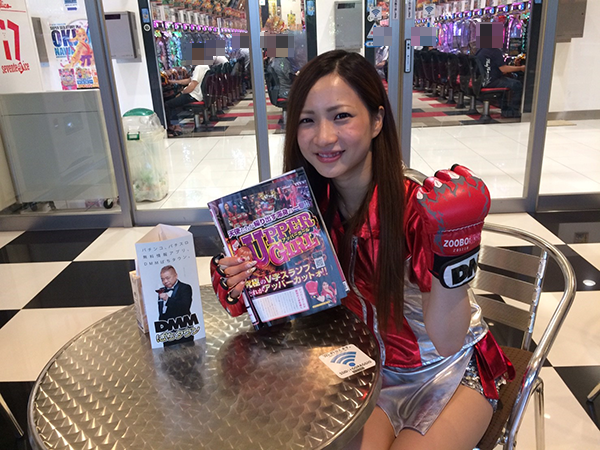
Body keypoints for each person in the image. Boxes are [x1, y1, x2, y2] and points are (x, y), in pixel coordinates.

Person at [210, 50, 514, 450]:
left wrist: (456, 254)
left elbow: (447, 341)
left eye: (341, 116)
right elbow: (287, 314)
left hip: (449, 370)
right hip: (367, 370)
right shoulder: (301, 208)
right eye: (307, 120)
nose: (323, 137)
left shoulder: (416, 208)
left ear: (376, 120)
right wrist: (242, 280)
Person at [474, 24, 525, 118]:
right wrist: (521, 68)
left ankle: (505, 108)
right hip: (491, 81)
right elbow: (503, 69)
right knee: (516, 84)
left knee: (507, 81)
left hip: (481, 81)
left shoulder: (480, 50)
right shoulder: (494, 51)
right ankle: (512, 112)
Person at [164, 63, 211, 136]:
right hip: (199, 95)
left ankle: (175, 127)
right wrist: (174, 82)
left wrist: (182, 93)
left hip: (193, 95)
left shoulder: (199, 67)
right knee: (173, 99)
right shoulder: (205, 66)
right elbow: (189, 80)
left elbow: (192, 86)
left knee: (168, 104)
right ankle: (175, 125)